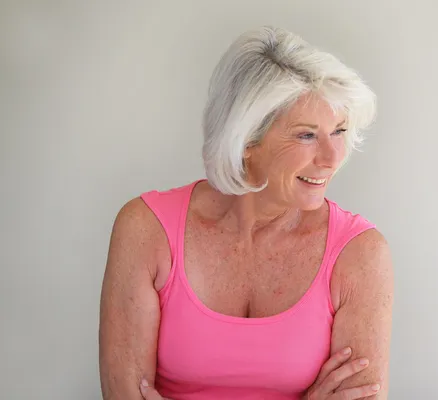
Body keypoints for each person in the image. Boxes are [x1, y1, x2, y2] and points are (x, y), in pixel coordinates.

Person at [99, 26, 394, 400]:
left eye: (339, 131)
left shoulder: (360, 254)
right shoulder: (145, 229)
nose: (332, 158)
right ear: (245, 141)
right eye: (306, 135)